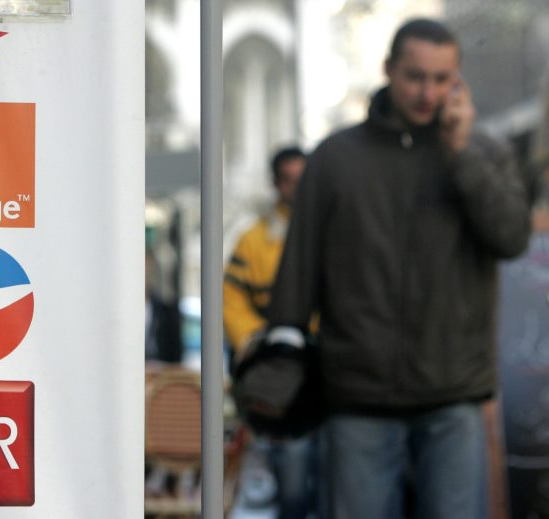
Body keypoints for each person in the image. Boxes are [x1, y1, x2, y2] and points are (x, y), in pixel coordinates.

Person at [269, 18, 532, 519]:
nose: (427, 92)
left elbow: (511, 237)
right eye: (415, 76)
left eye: (441, 79)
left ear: (458, 78)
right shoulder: (335, 159)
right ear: (389, 70)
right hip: (357, 394)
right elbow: (298, 271)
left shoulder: (484, 152)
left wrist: (459, 157)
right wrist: (283, 363)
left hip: (452, 392)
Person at [224, 147, 316, 518]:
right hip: (276, 373)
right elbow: (231, 295)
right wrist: (254, 340)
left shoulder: (333, 229)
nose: (296, 188)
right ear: (277, 184)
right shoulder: (255, 240)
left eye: (303, 178)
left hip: (328, 369)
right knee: (287, 473)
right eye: (289, 179)